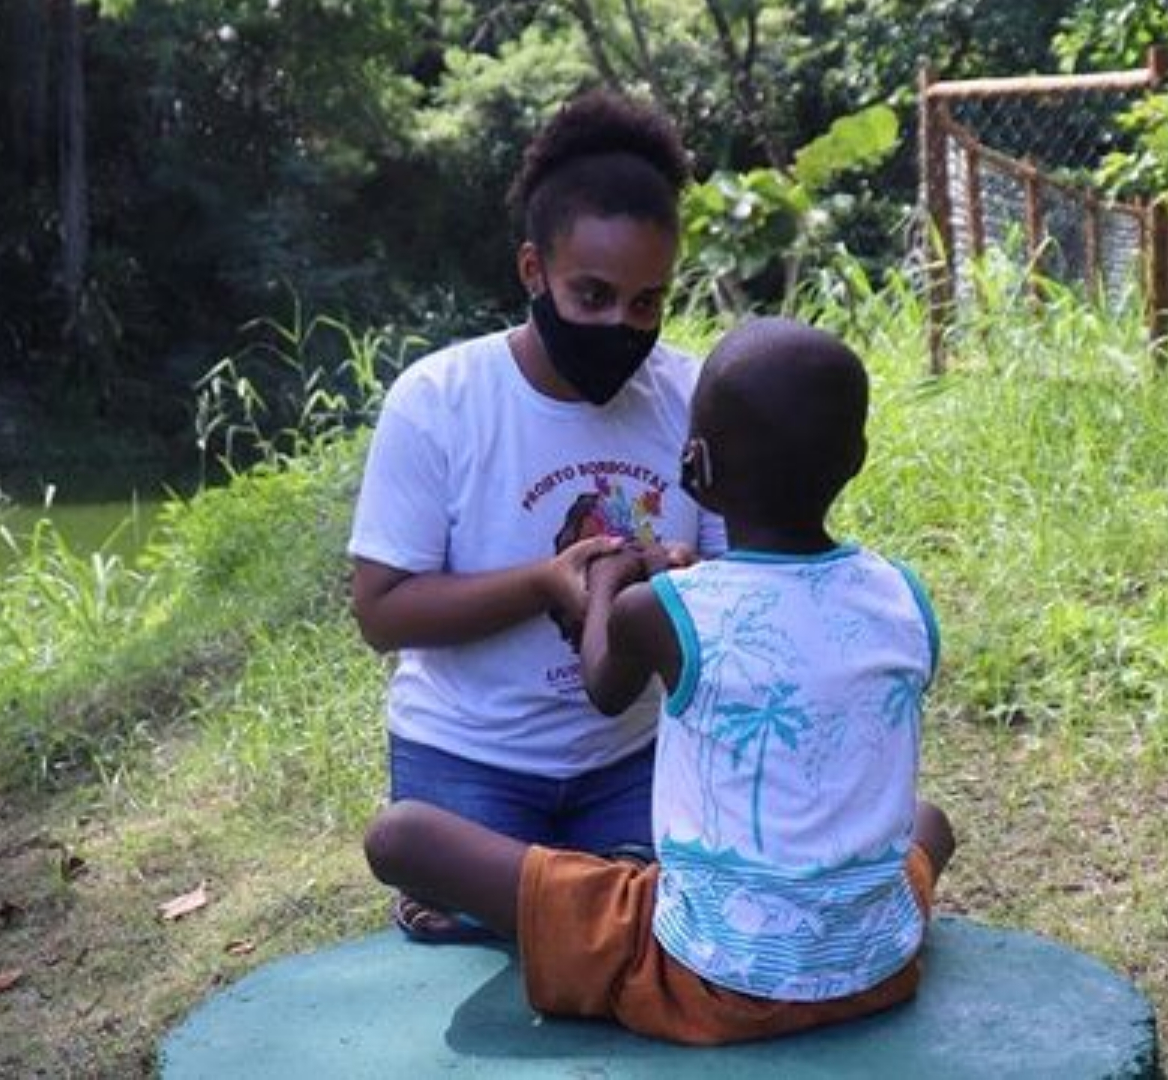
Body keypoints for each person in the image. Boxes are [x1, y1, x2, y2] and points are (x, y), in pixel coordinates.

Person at [363, 317, 957, 1045]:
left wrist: (610, 582)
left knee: (400, 838)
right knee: (931, 825)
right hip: (873, 961)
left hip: (708, 974)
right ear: (857, 458)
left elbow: (604, 687)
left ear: (694, 465)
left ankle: (590, 889)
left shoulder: (665, 610)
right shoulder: (902, 593)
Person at [348, 91, 728, 942]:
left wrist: (681, 581)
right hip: (469, 760)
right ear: (533, 273)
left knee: (651, 929)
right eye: (591, 295)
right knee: (607, 924)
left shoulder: (693, 396)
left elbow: (743, 583)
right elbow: (381, 611)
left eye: (645, 302)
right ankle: (540, 897)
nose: (618, 325)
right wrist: (544, 583)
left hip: (634, 759)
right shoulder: (439, 403)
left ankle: (526, 901)